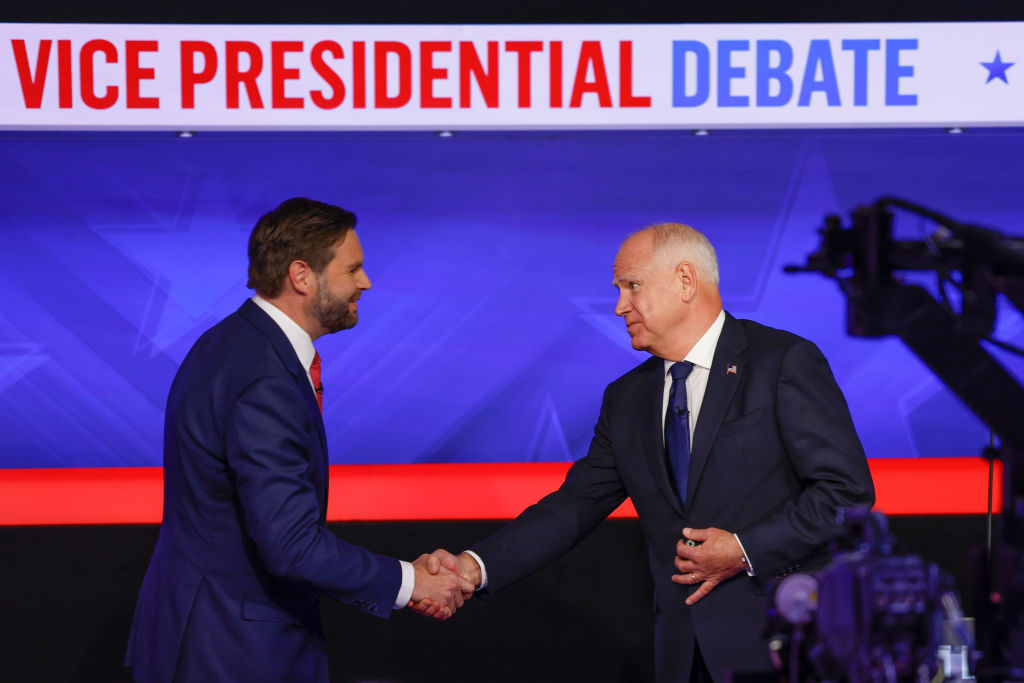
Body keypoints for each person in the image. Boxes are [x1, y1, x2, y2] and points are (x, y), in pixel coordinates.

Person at [417, 223, 875, 682]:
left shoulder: (781, 362)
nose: (619, 306)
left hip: (781, 645)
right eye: (618, 290)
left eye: (631, 286)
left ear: (685, 280)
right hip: (681, 655)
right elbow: (574, 506)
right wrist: (473, 569)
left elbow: (845, 493)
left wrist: (743, 549)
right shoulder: (627, 398)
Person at [126, 198, 471, 683]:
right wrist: (411, 582)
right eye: (353, 268)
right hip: (229, 648)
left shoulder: (231, 342)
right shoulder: (263, 374)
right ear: (302, 275)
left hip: (212, 634)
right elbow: (290, 544)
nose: (365, 282)